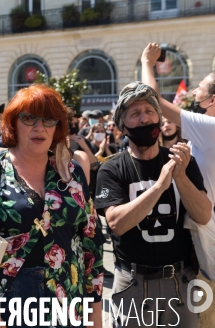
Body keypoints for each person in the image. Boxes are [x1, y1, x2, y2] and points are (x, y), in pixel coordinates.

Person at [0, 84, 104, 326]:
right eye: (29, 118)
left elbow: (91, 243)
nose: (39, 127)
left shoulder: (71, 174)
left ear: (57, 127)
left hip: (68, 304)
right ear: (13, 123)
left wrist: (95, 315)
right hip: (7, 306)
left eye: (48, 119)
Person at [95, 81, 210, 328]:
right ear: (122, 126)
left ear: (159, 118)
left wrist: (179, 177)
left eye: (150, 111)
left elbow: (203, 214)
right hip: (133, 283)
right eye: (134, 114)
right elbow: (116, 223)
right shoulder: (111, 168)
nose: (144, 119)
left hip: (181, 281)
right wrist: (159, 186)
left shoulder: (182, 162)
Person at [141, 42, 215, 327]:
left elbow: (154, 100)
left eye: (200, 88)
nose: (195, 92)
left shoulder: (209, 127)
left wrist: (148, 63)